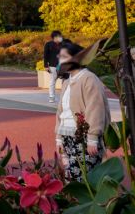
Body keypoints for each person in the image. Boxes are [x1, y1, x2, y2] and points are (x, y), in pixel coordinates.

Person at [55, 41, 111, 182]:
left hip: (84, 137)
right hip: (67, 135)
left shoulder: (89, 79)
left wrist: (92, 137)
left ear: (76, 58)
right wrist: (59, 137)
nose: (60, 60)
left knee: (82, 179)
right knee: (70, 178)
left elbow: (95, 108)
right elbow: (61, 111)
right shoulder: (67, 82)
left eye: (64, 56)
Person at [43, 30, 64, 103]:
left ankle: (64, 97)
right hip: (53, 66)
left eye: (60, 36)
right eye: (58, 36)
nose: (59, 38)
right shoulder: (48, 44)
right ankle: (51, 97)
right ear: (54, 37)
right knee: (52, 81)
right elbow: (45, 55)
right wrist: (46, 65)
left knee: (65, 81)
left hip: (63, 66)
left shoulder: (63, 44)